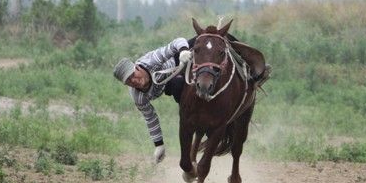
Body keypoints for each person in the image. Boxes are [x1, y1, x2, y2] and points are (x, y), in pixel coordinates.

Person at [113, 35, 270, 164]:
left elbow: (175, 42)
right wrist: (159, 145)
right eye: (129, 81)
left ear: (138, 68)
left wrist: (182, 51)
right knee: (181, 92)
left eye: (133, 75)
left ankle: (253, 70)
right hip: (169, 82)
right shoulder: (138, 97)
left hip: (177, 59)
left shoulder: (150, 61)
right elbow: (150, 118)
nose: (134, 80)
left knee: (208, 39)